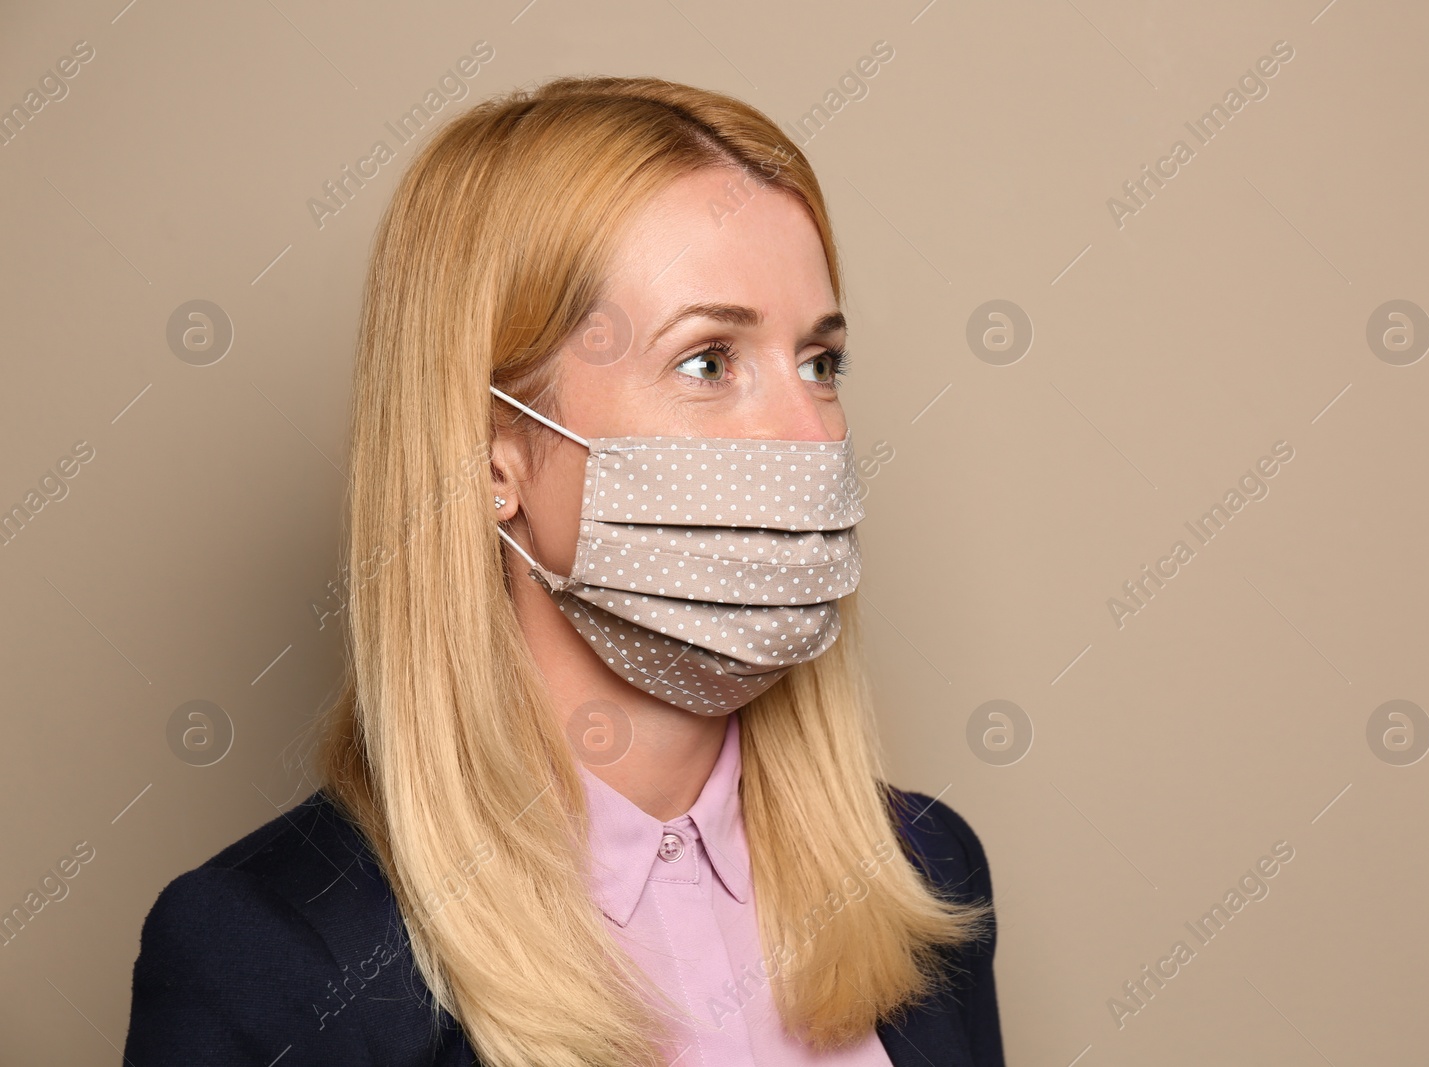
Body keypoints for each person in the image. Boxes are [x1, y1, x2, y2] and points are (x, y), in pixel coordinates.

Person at [122, 75, 1003, 1067]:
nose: (810, 436)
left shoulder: (923, 867)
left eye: (819, 362)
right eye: (709, 360)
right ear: (499, 453)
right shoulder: (267, 959)